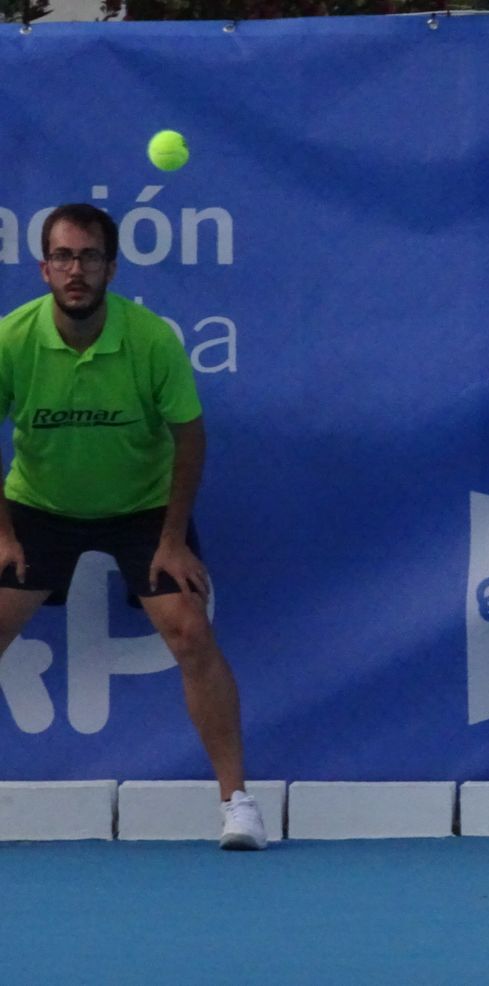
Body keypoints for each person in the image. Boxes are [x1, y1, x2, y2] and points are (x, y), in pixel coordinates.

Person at [0, 203, 266, 851]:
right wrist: (4, 536)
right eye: (63, 257)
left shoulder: (150, 340)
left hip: (142, 513)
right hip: (40, 509)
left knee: (191, 633)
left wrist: (172, 538)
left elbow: (190, 436)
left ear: (111, 268)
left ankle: (239, 806)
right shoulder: (11, 339)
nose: (76, 270)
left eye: (90, 257)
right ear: (43, 269)